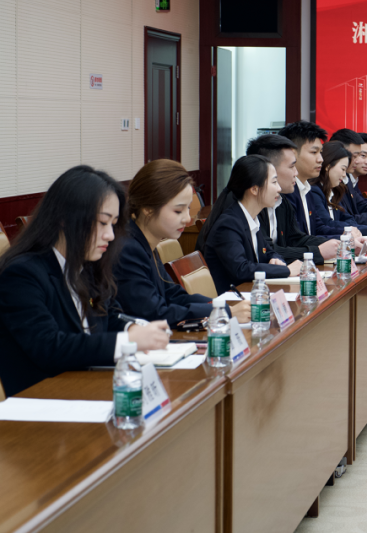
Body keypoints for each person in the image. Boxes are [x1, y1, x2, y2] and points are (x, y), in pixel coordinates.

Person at [0, 166, 169, 396]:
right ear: (64, 218)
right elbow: (50, 348)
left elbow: (107, 316)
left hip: (87, 388)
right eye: (102, 222)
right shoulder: (21, 274)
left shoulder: (87, 266)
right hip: (43, 400)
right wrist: (126, 341)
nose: (110, 235)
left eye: (113, 224)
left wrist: (133, 328)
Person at [116, 160, 251, 327]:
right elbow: (155, 313)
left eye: (188, 208)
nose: (187, 219)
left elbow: (173, 295)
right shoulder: (128, 249)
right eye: (178, 210)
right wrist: (223, 312)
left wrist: (220, 306)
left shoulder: (145, 241)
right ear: (148, 208)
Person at [196, 155, 299, 291]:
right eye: (274, 182)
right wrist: (287, 270)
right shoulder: (228, 224)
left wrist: (275, 259)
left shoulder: (251, 218)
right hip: (232, 299)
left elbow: (269, 251)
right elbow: (241, 269)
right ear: (254, 189)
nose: (279, 188)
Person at [246, 134, 338, 265]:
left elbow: (296, 238)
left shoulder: (282, 201)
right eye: (291, 166)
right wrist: (317, 252)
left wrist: (338, 244)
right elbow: (265, 251)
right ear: (269, 169)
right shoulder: (251, 205)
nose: (296, 173)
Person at [307, 141, 367, 238]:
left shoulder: (334, 190)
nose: (344, 175)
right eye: (343, 169)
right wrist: (366, 230)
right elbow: (327, 224)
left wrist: (356, 230)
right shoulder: (314, 191)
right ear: (328, 167)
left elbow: (347, 218)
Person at [278, 121, 327, 237]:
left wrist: (347, 235)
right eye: (314, 152)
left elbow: (318, 228)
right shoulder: (286, 191)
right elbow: (296, 239)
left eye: (320, 152)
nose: (320, 159)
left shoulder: (306, 188)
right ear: (292, 153)